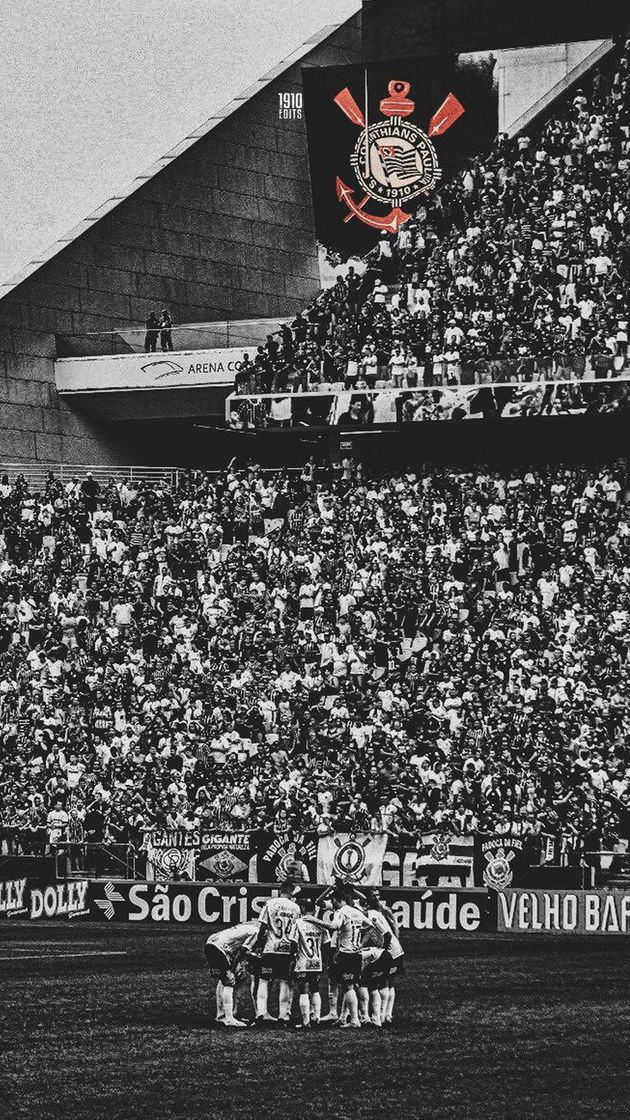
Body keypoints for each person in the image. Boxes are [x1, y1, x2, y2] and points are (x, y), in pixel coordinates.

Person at [254, 883, 301, 1025]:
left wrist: (258, 945)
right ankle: (282, 1016)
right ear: (291, 892)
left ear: (280, 891)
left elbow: (262, 926)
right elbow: (297, 929)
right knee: (284, 981)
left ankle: (261, 1014)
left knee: (263, 979)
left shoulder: (270, 903)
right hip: (286, 950)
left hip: (270, 948)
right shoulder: (296, 908)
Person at [203, 919, 261, 1028]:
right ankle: (229, 1018)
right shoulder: (256, 931)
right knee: (229, 981)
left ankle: (223, 1015)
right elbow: (244, 950)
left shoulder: (244, 927)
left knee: (226, 979)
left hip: (212, 944)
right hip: (220, 949)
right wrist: (234, 965)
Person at [294, 897, 331, 1029]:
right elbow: (327, 944)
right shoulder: (320, 924)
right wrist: (324, 961)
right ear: (314, 910)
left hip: (303, 961)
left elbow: (294, 942)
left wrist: (292, 959)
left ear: (303, 909)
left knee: (303, 991)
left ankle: (306, 1022)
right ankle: (317, 1018)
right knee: (315, 989)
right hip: (316, 961)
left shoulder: (298, 922)